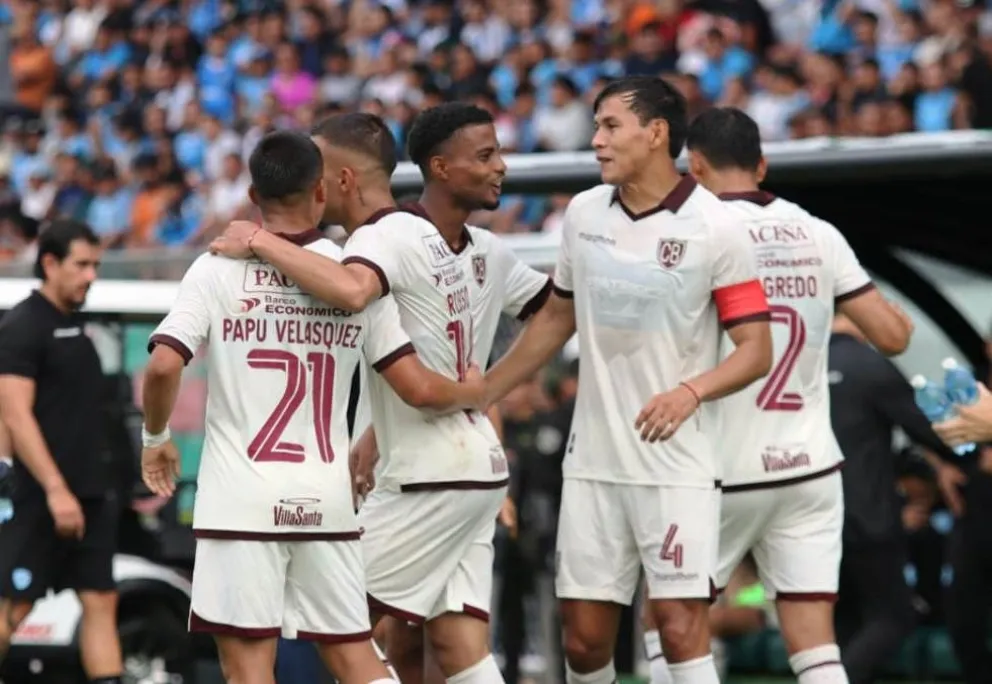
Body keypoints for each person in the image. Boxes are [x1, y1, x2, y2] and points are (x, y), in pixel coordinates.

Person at [140, 130, 486, 684]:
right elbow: (415, 387)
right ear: (320, 190)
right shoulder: (350, 274)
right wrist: (476, 391)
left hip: (241, 503)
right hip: (325, 500)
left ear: (253, 195)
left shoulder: (218, 266)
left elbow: (162, 366)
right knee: (354, 657)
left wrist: (155, 441)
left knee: (249, 669)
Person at [209, 107, 532, 684]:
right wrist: (468, 398)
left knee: (340, 632)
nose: (309, 181)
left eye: (317, 169)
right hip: (470, 468)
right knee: (458, 651)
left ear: (342, 181)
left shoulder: (377, 244)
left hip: (428, 477)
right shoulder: (432, 239)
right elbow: (553, 308)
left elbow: (394, 350)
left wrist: (258, 238)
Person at [482, 77, 775, 684]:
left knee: (678, 627)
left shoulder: (716, 227)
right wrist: (485, 390)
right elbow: (557, 316)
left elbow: (756, 350)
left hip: (677, 465)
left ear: (657, 133)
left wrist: (690, 391)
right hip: (592, 460)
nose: (596, 141)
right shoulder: (584, 213)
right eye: (596, 127)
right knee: (585, 645)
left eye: (611, 126)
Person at [637, 107, 915, 684]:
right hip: (810, 469)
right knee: (815, 643)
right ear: (762, 164)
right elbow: (891, 336)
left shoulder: (695, 233)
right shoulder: (818, 232)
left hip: (721, 467)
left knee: (669, 621)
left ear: (695, 167)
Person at [0, 219, 126, 683]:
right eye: (82, 265)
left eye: (95, 264)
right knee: (12, 604)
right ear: (50, 263)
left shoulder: (79, 326)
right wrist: (55, 489)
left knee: (100, 600)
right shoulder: (23, 326)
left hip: (90, 492)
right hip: (39, 496)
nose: (91, 275)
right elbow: (14, 416)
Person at [828, 313, 959, 683]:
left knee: (844, 621)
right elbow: (930, 429)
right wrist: (965, 457)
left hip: (815, 519)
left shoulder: (802, 367)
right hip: (868, 516)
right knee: (893, 616)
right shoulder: (870, 366)